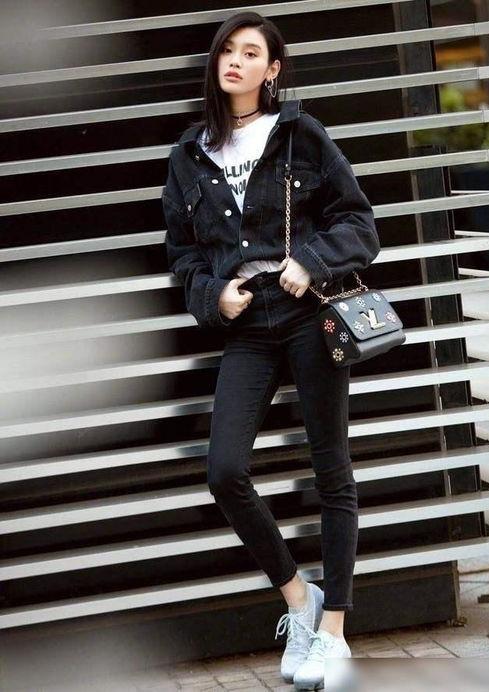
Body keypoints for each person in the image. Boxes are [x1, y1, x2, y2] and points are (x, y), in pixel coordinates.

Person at [162, 10, 380, 690]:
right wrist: (212, 296)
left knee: (331, 469)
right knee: (224, 470)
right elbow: (181, 255)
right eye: (227, 49)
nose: (235, 60)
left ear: (272, 69)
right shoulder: (188, 154)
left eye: (251, 52)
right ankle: (299, 599)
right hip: (247, 325)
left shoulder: (299, 134)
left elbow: (359, 222)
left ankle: (334, 632)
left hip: (308, 314)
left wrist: (310, 260)